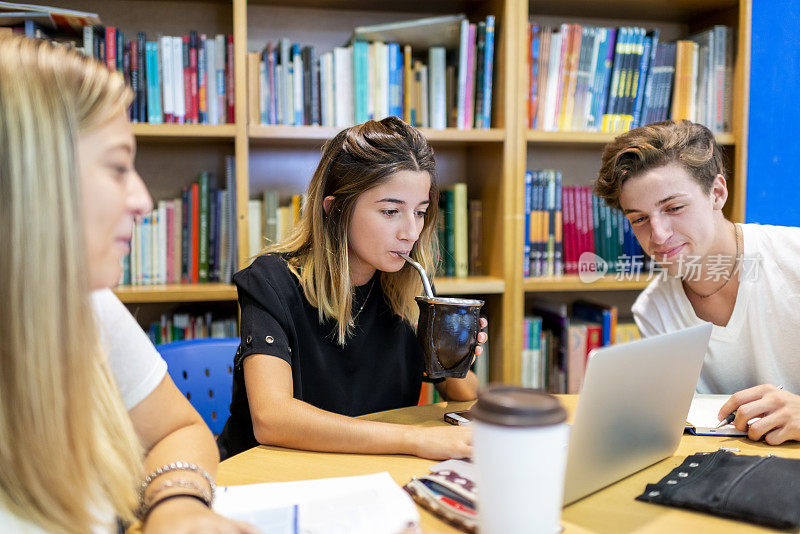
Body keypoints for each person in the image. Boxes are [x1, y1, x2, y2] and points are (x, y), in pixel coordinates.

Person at [0, 35, 255, 533]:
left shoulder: (86, 302)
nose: (142, 199)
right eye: (118, 166)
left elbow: (178, 429)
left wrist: (175, 506)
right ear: (32, 177)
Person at [217, 117, 487, 461]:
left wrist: (456, 355)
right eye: (390, 211)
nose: (411, 232)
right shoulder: (271, 282)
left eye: (419, 212)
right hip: (266, 475)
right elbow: (272, 419)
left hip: (362, 471)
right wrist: (415, 440)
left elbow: (465, 397)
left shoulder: (410, 284)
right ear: (335, 210)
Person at [594, 119, 800, 445]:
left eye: (674, 207)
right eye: (639, 219)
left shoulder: (794, 259)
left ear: (717, 193)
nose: (658, 236)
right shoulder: (655, 309)